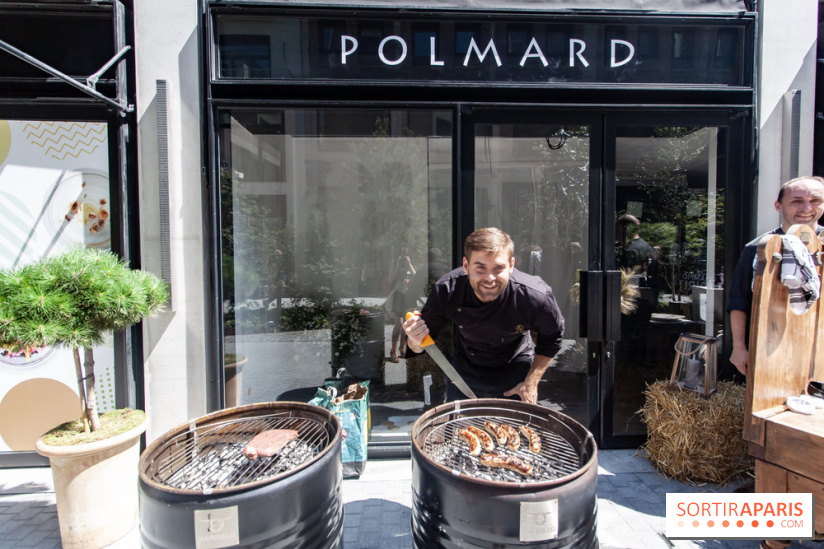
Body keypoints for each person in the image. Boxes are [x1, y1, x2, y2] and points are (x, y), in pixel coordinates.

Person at [402, 227, 565, 403]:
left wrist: (531, 383)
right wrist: (414, 339)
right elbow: (419, 345)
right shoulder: (448, 290)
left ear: (511, 266)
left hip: (515, 368)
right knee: (462, 427)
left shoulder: (534, 296)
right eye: (480, 268)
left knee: (513, 428)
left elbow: (553, 338)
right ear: (466, 266)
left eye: (498, 268)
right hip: (464, 373)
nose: (490, 278)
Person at [727, 176, 824, 377]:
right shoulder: (758, 248)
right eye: (797, 201)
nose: (807, 208)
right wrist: (739, 347)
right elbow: (739, 301)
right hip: (771, 347)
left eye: (815, 201)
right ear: (778, 206)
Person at [387, 251, 416, 363]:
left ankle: (402, 348)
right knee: (398, 324)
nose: (404, 259)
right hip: (398, 296)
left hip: (408, 296)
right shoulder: (396, 264)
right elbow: (390, 278)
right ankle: (393, 350)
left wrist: (409, 264)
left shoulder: (411, 264)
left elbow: (415, 275)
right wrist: (398, 264)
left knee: (406, 324)